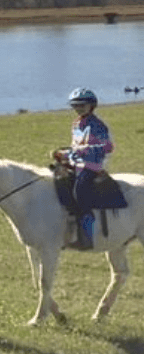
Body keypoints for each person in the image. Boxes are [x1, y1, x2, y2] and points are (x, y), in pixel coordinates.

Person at [66, 87, 113, 250]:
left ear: (91, 106)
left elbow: (107, 147)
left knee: (80, 191)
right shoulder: (76, 124)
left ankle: (87, 235)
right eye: (75, 106)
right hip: (76, 164)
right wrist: (66, 154)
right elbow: (75, 146)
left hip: (91, 166)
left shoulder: (98, 125)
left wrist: (85, 149)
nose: (78, 109)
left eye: (82, 105)